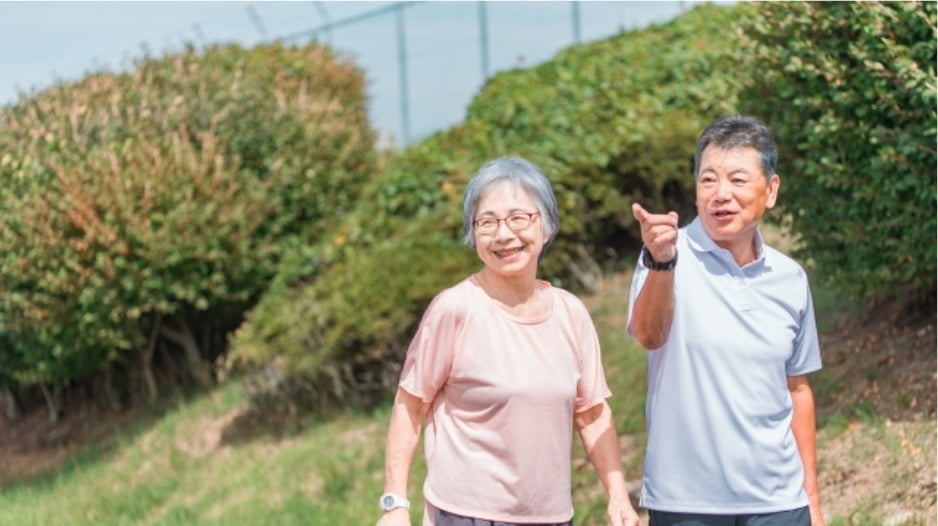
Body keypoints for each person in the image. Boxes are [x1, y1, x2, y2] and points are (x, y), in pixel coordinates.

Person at [378, 156, 640, 526]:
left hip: (551, 517)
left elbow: (593, 414)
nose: (503, 235)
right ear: (473, 234)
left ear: (546, 227)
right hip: (466, 515)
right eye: (487, 222)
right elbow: (410, 405)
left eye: (519, 218)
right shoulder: (455, 308)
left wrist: (617, 496)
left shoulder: (571, 313)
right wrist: (394, 504)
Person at [627, 115, 824, 526]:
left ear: (770, 190)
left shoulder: (790, 278)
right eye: (708, 180)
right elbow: (649, 334)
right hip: (687, 505)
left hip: (779, 503)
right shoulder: (665, 252)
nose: (721, 194)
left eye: (737, 180)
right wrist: (662, 264)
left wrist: (812, 500)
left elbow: (797, 389)